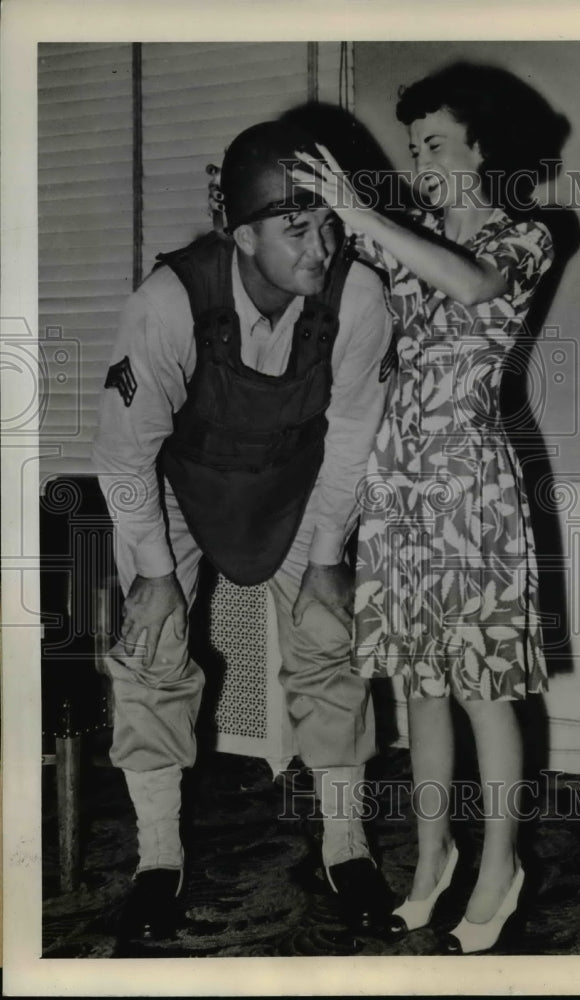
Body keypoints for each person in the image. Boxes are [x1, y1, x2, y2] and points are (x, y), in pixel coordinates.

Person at [93, 120, 394, 942]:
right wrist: (153, 572)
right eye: (297, 227)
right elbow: (124, 453)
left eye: (330, 222)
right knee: (152, 653)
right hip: (182, 488)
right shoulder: (168, 301)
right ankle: (159, 858)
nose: (321, 245)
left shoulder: (360, 298)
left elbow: (354, 433)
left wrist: (330, 552)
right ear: (243, 230)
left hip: (298, 487)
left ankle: (346, 845)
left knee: (328, 645)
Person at [291, 62, 568, 954]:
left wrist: (368, 216)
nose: (422, 161)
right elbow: (330, 247)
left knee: (487, 692)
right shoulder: (404, 236)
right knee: (420, 689)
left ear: (485, 148)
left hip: (472, 493)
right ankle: (431, 860)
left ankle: (499, 869)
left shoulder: (529, 238)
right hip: (400, 489)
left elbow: (474, 286)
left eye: (437, 144)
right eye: (414, 149)